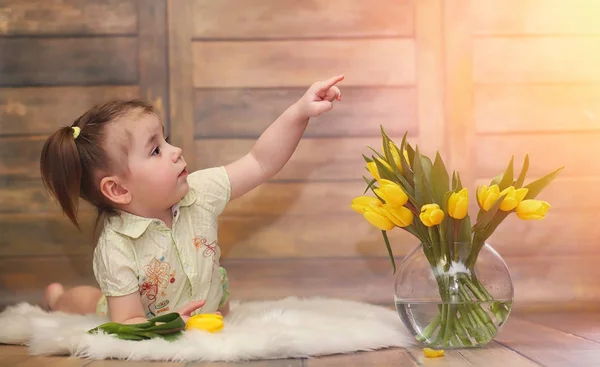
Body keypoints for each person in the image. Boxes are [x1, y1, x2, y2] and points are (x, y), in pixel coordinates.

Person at [39, 75, 344, 324]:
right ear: (118, 190)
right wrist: (170, 324)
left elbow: (260, 161)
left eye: (166, 139)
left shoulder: (199, 191)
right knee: (95, 304)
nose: (176, 151)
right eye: (156, 150)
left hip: (205, 302)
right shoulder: (116, 245)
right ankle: (56, 298)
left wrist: (299, 112)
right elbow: (128, 321)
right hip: (143, 310)